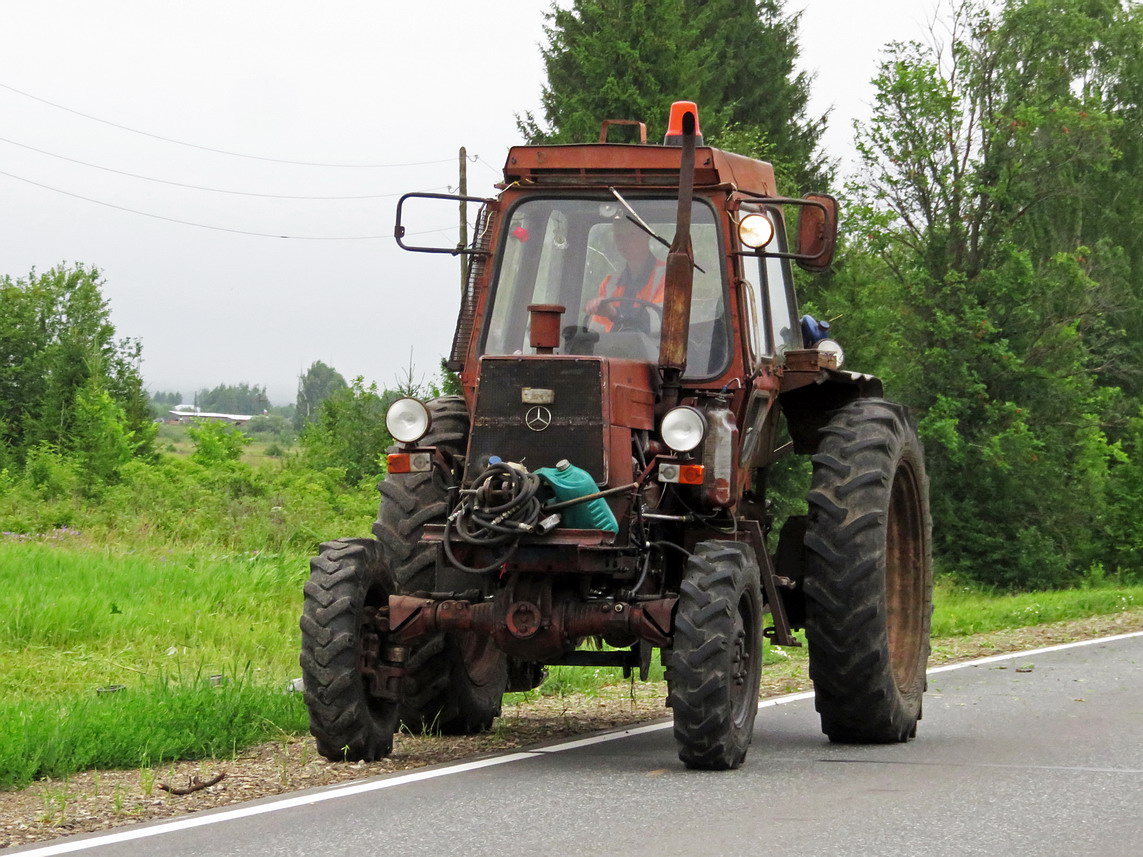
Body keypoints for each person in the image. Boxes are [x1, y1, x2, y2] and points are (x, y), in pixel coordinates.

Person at [585, 217, 665, 332]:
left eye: (631, 235)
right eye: (619, 237)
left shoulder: (669, 276)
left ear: (647, 235)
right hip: (610, 350)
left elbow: (663, 321)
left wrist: (615, 313)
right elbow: (596, 334)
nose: (624, 242)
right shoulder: (609, 284)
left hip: (656, 350)